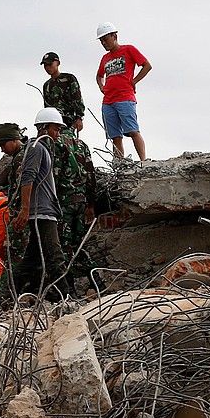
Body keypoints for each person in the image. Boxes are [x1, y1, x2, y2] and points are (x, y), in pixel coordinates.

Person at [12, 107, 69, 299]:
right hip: (41, 212)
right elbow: (28, 178)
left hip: (44, 210)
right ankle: (66, 296)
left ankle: (10, 293)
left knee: (33, 256)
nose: (58, 133)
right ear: (44, 127)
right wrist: (25, 209)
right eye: (55, 129)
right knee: (54, 255)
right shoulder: (36, 148)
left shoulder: (41, 148)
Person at [95, 21, 151, 161]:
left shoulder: (128, 50)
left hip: (125, 98)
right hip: (108, 101)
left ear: (114, 36)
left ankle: (144, 161)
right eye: (101, 40)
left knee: (132, 130)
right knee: (115, 136)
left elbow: (146, 65)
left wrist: (134, 81)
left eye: (105, 39)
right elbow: (99, 75)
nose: (103, 43)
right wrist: (102, 87)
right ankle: (119, 165)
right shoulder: (105, 58)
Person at [52, 122, 96, 275]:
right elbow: (91, 175)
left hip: (64, 204)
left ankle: (67, 286)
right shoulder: (82, 145)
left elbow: (55, 177)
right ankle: (95, 279)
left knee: (64, 246)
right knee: (79, 244)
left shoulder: (57, 144)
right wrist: (90, 204)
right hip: (81, 202)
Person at [41, 52, 85, 130]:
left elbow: (77, 99)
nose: (47, 68)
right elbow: (47, 107)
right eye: (45, 65)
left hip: (68, 122)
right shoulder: (46, 85)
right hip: (53, 123)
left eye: (50, 64)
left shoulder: (69, 79)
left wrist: (79, 118)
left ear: (57, 63)